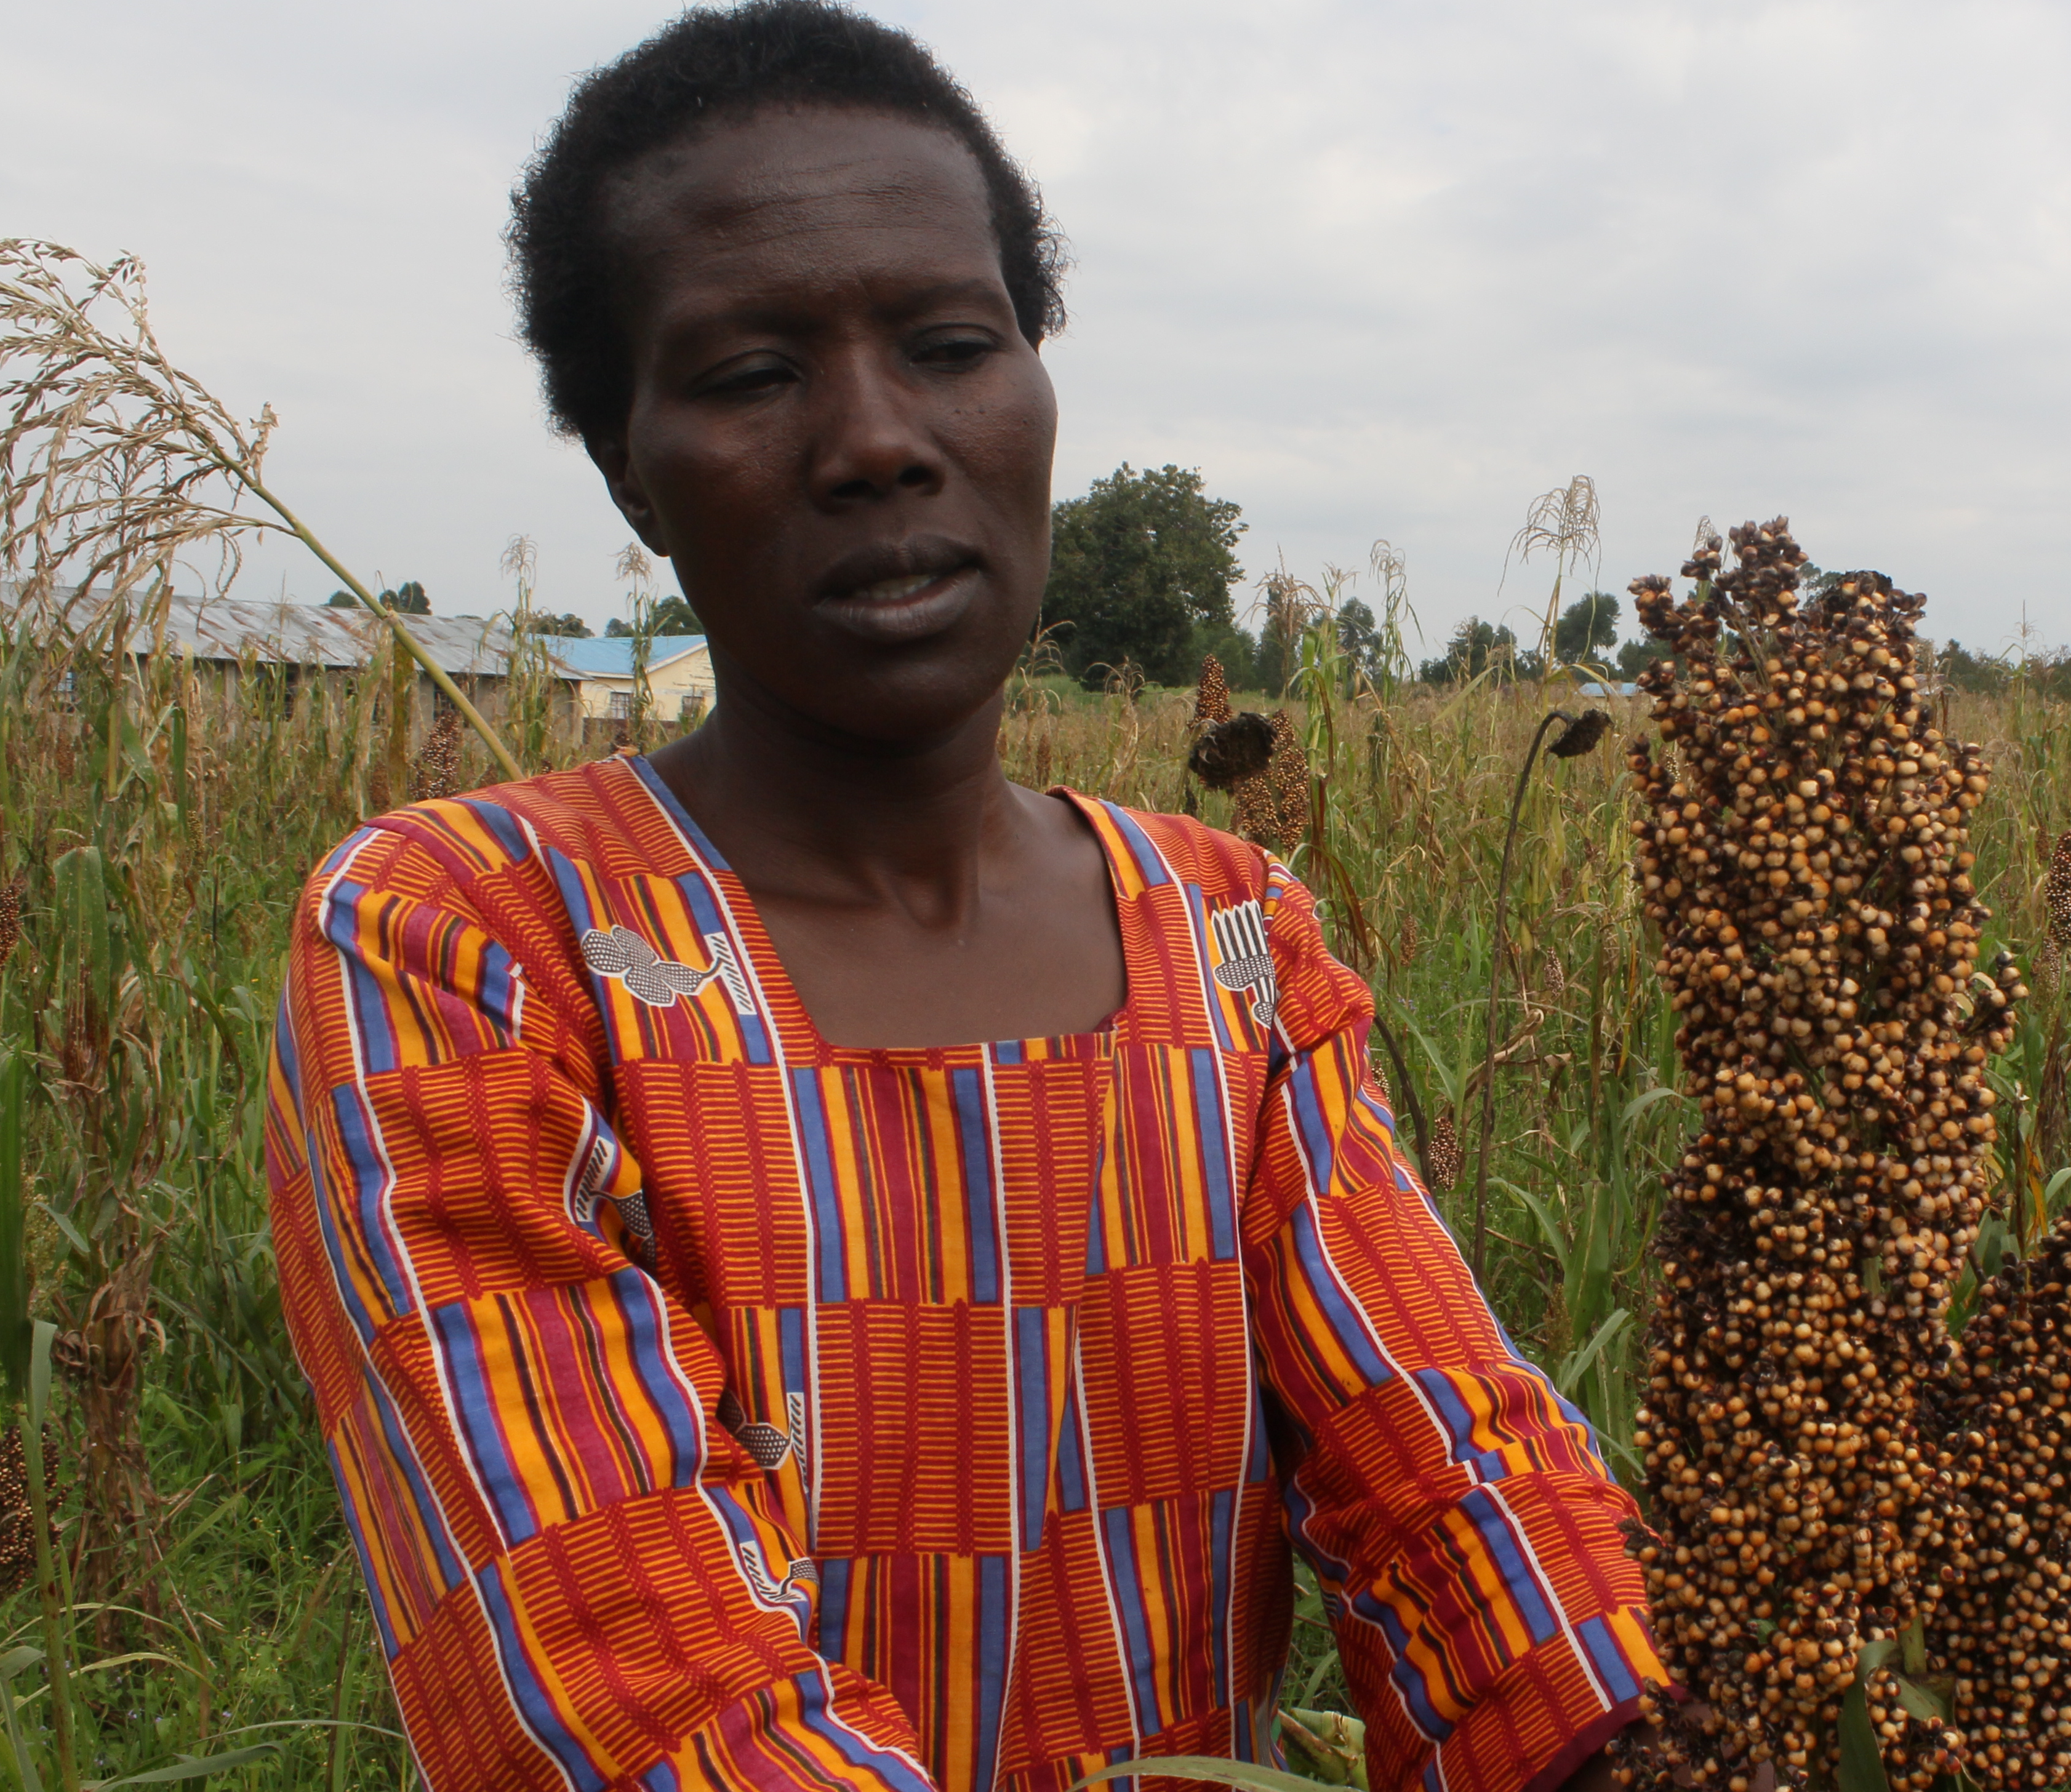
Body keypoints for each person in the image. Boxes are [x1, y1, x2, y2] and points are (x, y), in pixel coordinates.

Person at [261, 6, 1660, 1788]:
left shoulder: (1231, 936)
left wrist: (1635, 1740)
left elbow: (1461, 1490)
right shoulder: (469, 940)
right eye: (751, 375)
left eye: (948, 344)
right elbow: (625, 1684)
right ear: (627, 464)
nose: (876, 440)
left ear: (1037, 384)